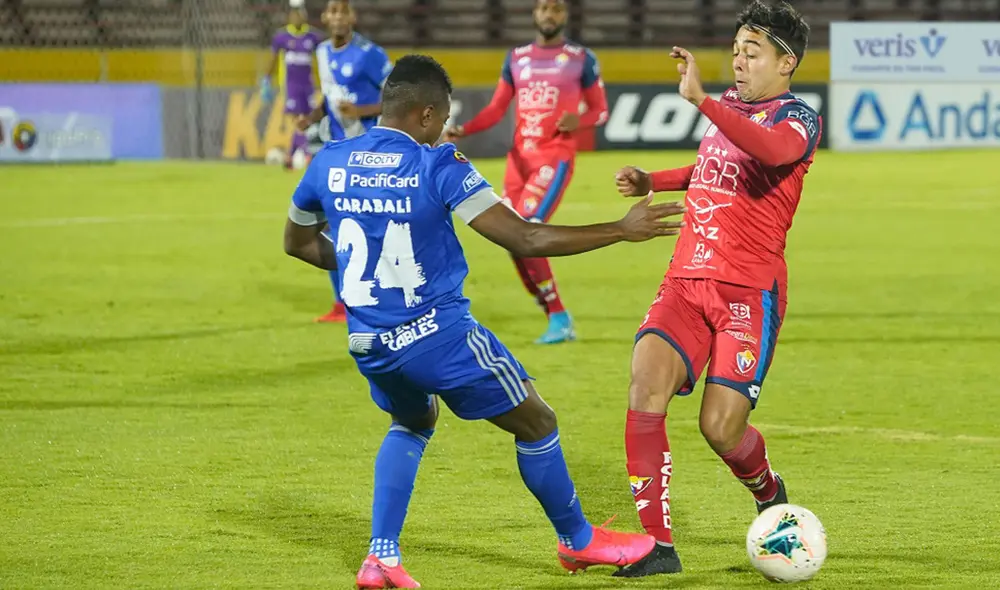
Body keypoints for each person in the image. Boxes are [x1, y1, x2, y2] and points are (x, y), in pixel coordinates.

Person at [284, 54, 685, 589]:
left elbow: (299, 243)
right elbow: (526, 238)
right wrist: (619, 228)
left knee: (411, 422)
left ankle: (381, 558)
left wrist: (370, 263)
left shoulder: (328, 161)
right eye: (443, 119)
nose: (445, 130)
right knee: (537, 422)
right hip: (439, 336)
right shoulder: (437, 164)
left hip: (370, 342)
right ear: (427, 115)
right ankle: (579, 541)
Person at [611, 0, 821, 578]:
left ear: (786, 63)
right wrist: (655, 180)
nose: (738, 63)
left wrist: (702, 100)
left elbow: (769, 152)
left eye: (751, 53)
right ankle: (657, 547)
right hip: (684, 280)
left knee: (719, 428)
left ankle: (769, 491)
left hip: (746, 294)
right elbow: (713, 161)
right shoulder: (729, 108)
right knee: (644, 385)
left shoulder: (797, 119)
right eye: (735, 51)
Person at [442, 0, 609, 345]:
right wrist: (465, 129)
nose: (550, 15)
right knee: (511, 238)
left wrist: (581, 120)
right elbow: (496, 108)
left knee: (529, 226)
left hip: (553, 158)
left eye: (557, 9)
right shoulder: (516, 58)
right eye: (545, 8)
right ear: (534, 13)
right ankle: (554, 315)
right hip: (518, 163)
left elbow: (600, 110)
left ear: (565, 16)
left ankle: (560, 316)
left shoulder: (581, 58)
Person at [301, 0, 394, 324]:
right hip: (335, 151)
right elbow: (330, 98)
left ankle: (384, 295)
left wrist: (363, 112)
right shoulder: (322, 52)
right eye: (333, 11)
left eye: (344, 11)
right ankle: (342, 304)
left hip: (368, 152)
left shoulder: (370, 54)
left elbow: (398, 95)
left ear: (353, 17)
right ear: (325, 18)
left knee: (370, 227)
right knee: (328, 226)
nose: (338, 17)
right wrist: (311, 117)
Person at [260, 3, 323, 170]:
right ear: (289, 16)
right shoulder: (282, 37)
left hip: (308, 86)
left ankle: (293, 155)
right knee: (296, 121)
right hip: (291, 87)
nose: (297, 17)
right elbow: (273, 59)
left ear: (305, 15)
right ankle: (302, 153)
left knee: (307, 121)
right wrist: (266, 79)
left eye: (300, 14)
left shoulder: (313, 37)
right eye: (294, 14)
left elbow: (322, 60)